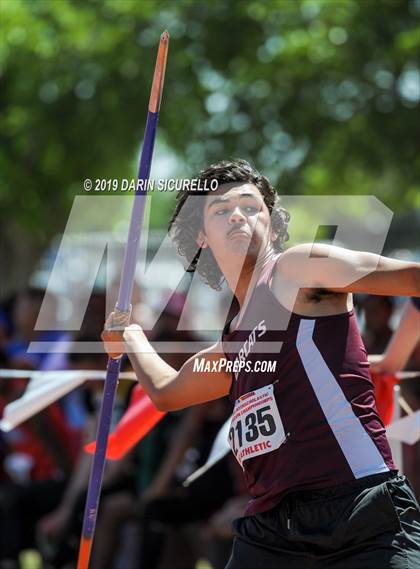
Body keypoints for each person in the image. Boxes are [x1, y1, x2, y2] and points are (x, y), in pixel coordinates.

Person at [103, 159, 420, 568]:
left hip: (360, 509)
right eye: (220, 210)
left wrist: (397, 353)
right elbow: (167, 392)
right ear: (202, 235)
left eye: (251, 206)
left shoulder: (298, 268)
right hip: (273, 529)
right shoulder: (232, 339)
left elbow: (413, 279)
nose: (237, 215)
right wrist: (130, 337)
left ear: (270, 222)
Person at [370, 296, 420, 374]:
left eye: (375, 311)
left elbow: (390, 365)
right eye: (369, 311)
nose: (369, 317)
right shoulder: (368, 341)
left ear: (388, 311)